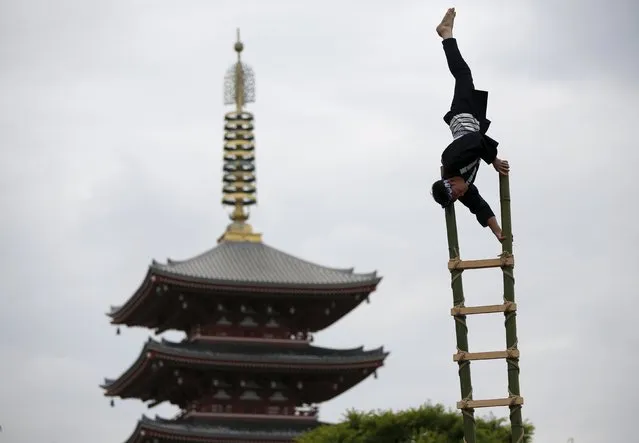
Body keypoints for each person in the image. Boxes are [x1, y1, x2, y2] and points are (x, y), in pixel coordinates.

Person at [431, 7, 510, 242]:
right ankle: (447, 35)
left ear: (450, 183)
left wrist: (493, 160)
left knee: (463, 74)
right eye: (457, 197)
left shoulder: (451, 160)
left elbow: (476, 142)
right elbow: (478, 205)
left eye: (455, 193)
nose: (460, 195)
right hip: (472, 119)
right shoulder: (463, 189)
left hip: (463, 116)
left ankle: (446, 34)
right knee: (464, 75)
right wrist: (497, 230)